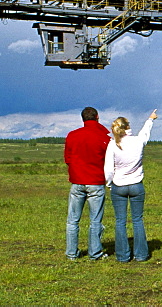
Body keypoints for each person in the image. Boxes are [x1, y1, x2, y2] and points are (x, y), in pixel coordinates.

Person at [105, 109, 157, 263]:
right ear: (128, 127)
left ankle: (122, 256)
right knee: (137, 220)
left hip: (118, 186)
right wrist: (150, 119)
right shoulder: (137, 141)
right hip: (136, 185)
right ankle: (141, 255)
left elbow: (108, 169)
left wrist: (109, 184)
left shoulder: (113, 144)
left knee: (120, 221)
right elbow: (145, 133)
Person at [64, 106, 111, 260]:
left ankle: (71, 253)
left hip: (77, 181)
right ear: (97, 117)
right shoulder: (103, 137)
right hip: (96, 182)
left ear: (83, 118)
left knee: (73, 220)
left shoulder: (72, 135)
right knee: (95, 220)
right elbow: (108, 161)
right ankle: (95, 253)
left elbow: (68, 159)